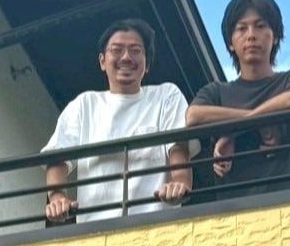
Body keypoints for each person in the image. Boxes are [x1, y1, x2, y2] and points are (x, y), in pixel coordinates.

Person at [42, 18, 193, 223]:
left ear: (147, 63)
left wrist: (180, 183)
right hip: (95, 228)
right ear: (102, 61)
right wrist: (57, 197)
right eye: (117, 50)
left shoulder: (166, 96)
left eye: (135, 50)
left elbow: (178, 146)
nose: (126, 57)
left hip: (155, 225)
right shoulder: (85, 104)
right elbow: (57, 156)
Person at [186, 0, 290, 197]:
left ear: (275, 36)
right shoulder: (216, 92)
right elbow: (193, 116)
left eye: (260, 26)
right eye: (241, 28)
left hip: (288, 202)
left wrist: (231, 132)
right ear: (230, 42)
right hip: (234, 207)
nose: (251, 35)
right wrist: (255, 121)